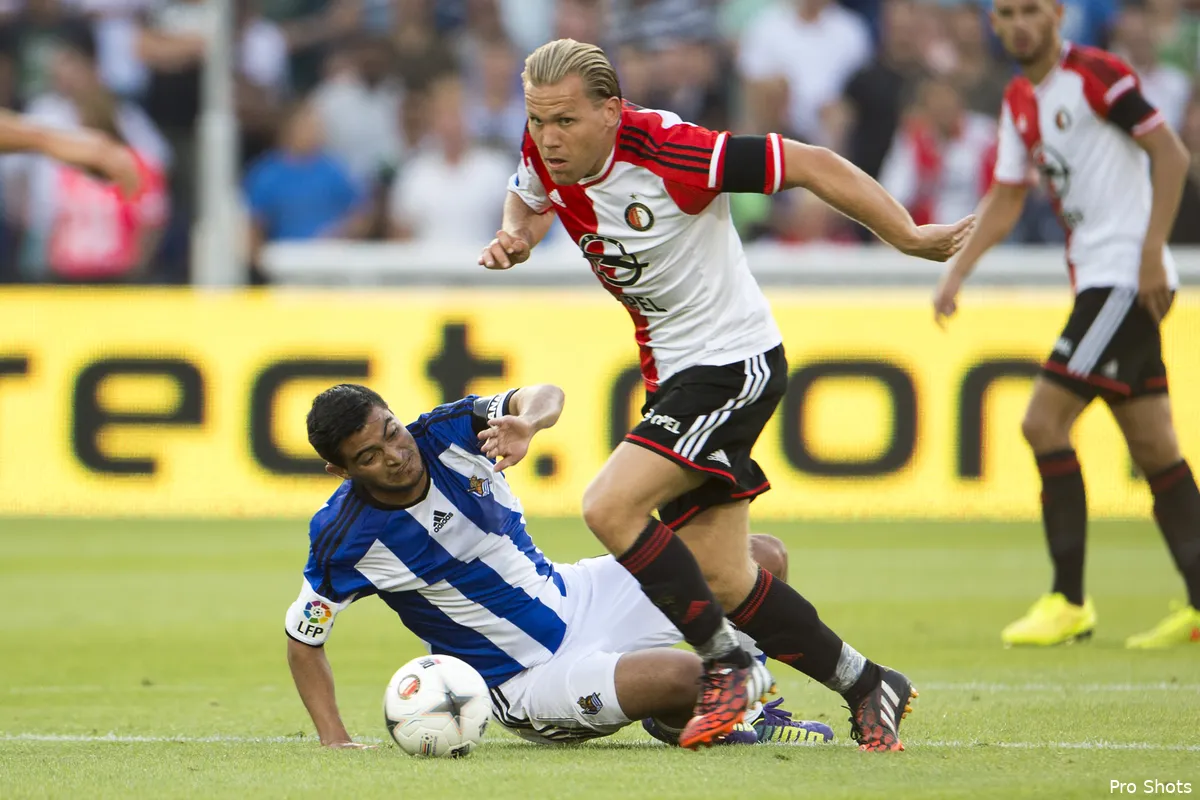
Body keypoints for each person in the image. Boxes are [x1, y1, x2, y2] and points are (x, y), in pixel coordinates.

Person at [478, 38, 974, 751]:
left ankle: (727, 662)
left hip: (731, 362)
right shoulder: (542, 144)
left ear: (612, 112)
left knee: (609, 504)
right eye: (538, 120)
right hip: (676, 375)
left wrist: (905, 235)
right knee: (723, 575)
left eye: (565, 122)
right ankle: (868, 683)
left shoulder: (673, 151)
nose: (549, 138)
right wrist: (515, 235)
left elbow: (809, 162)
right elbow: (528, 196)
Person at [286, 383, 835, 749]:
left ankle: (694, 712)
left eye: (391, 432)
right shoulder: (344, 536)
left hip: (577, 593)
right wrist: (334, 737)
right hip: (526, 678)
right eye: (369, 457)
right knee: (690, 674)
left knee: (760, 556)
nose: (395, 455)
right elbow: (304, 636)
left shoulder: (448, 434)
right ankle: (727, 713)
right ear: (340, 470)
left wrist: (530, 423)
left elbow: (545, 393)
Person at [933, 0, 1199, 648]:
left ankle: (1068, 599)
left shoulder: (1097, 74)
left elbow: (1170, 155)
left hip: (1122, 278)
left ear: (1056, 14)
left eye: (1031, 10)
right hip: (1100, 278)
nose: (1019, 24)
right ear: (993, 24)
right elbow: (1007, 196)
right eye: (1006, 14)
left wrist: (1149, 252)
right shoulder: (1021, 99)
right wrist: (957, 270)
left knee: (1041, 422)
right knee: (1155, 446)